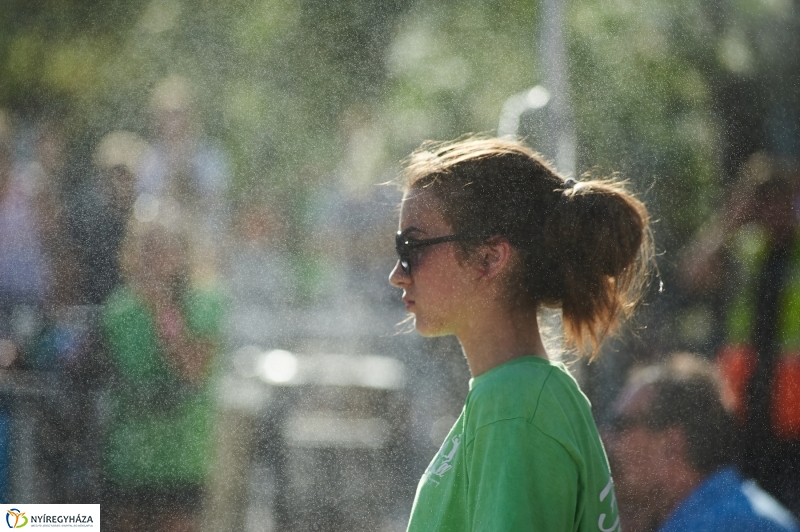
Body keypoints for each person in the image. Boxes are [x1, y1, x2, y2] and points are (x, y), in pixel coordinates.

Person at [388, 137, 654, 531]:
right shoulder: (528, 395)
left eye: (412, 246)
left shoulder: (515, 408)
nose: (397, 274)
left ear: (490, 257)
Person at [680, 153, 800, 515]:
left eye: (778, 199)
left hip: (792, 414)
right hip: (745, 405)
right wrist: (729, 220)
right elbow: (694, 274)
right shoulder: (745, 246)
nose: (770, 210)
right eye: (761, 200)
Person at [100, 211, 224, 532]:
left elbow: (193, 371)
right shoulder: (118, 309)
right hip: (128, 459)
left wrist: (164, 311)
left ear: (182, 253)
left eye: (162, 247)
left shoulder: (204, 303)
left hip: (181, 459)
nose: (152, 256)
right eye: (145, 246)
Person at [606, 353, 799, 532]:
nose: (605, 438)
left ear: (671, 445)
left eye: (619, 425)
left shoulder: (734, 524)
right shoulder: (727, 513)